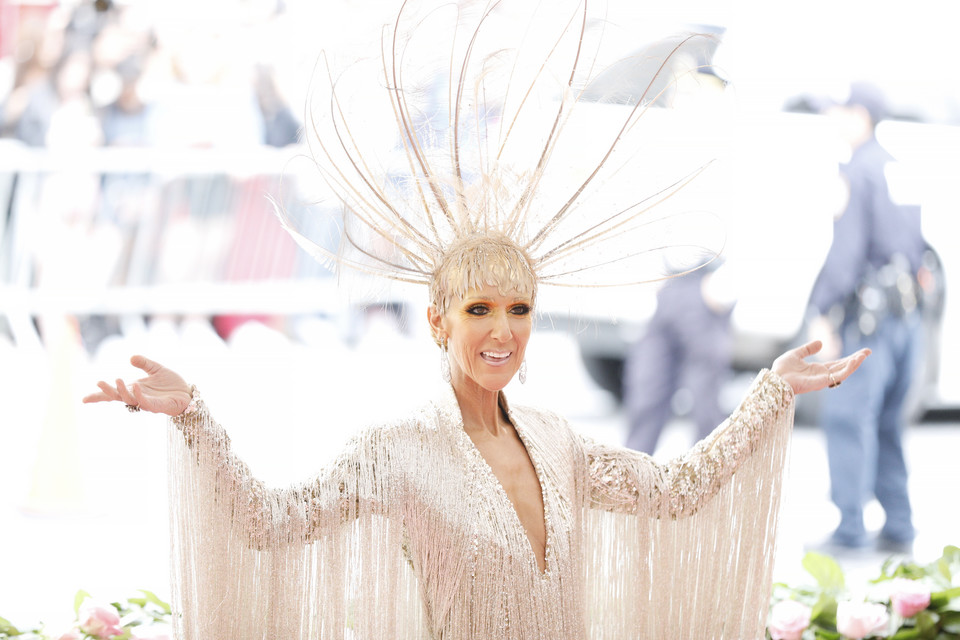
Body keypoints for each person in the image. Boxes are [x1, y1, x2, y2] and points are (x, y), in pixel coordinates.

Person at [83, 3, 869, 637]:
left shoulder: (559, 442)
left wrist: (771, 393)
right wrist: (195, 419)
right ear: (436, 323)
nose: (503, 331)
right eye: (479, 310)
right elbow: (269, 523)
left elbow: (677, 489)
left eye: (520, 309)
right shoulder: (393, 453)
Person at [806, 82, 931, 554]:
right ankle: (899, 523)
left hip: (870, 319)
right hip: (906, 317)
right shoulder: (896, 167)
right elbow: (915, 243)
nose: (832, 119)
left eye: (838, 111)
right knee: (888, 421)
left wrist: (823, 312)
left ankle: (851, 528)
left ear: (860, 116)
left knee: (848, 416)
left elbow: (846, 253)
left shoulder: (857, 172)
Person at [622, 261, 735, 454]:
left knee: (705, 397)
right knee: (648, 388)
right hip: (668, 282)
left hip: (706, 282)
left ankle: (706, 476)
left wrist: (722, 283)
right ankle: (632, 471)